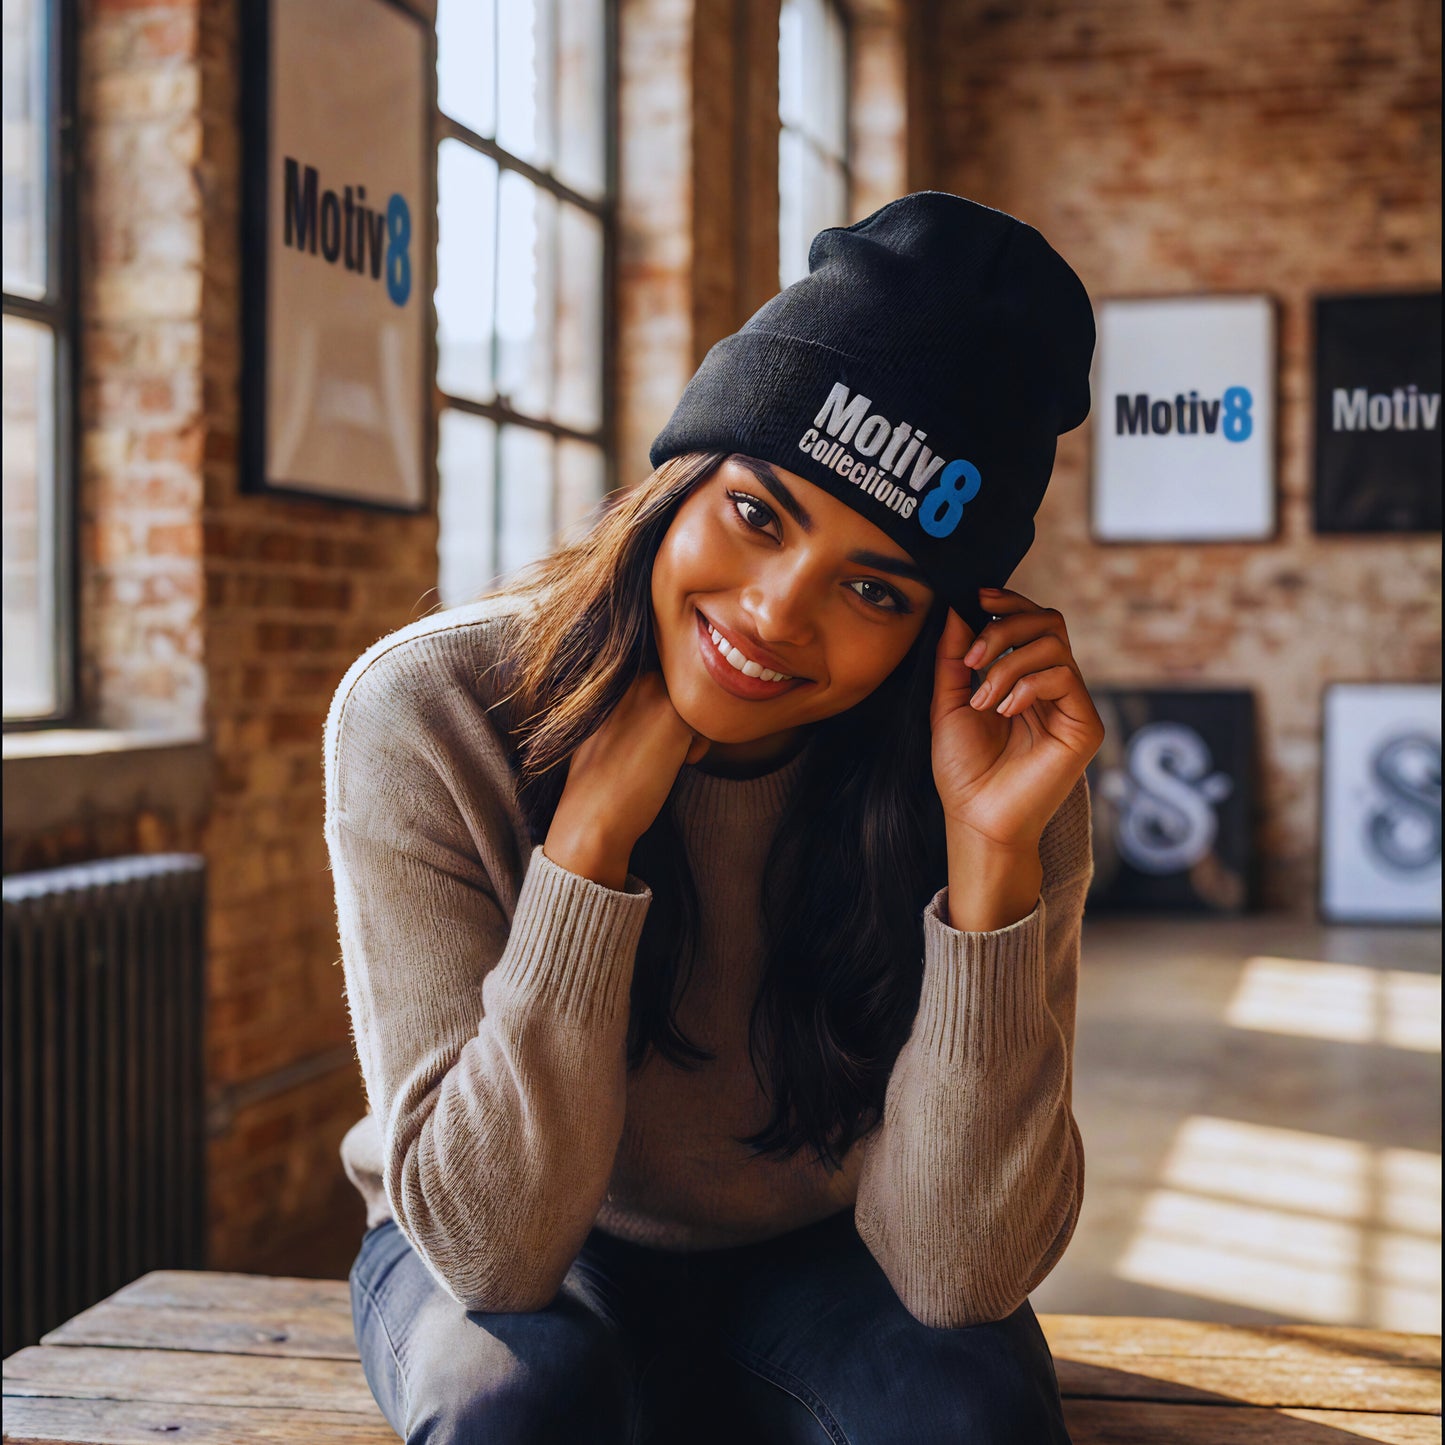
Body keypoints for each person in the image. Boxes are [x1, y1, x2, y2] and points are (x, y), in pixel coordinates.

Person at [326, 191, 1102, 1444]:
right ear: (681, 482)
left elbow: (957, 1272)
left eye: (873, 583)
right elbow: (491, 1246)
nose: (774, 614)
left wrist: (988, 862)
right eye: (757, 512)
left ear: (938, 626)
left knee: (973, 1414)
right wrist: (586, 844)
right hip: (500, 1234)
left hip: (818, 1257)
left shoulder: (995, 771)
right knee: (514, 1408)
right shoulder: (432, 708)